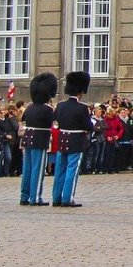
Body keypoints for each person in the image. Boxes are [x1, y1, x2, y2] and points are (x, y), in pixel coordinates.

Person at [52, 70, 92, 207]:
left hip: (62, 139)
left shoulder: (60, 105)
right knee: (72, 170)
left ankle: (56, 197)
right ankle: (67, 198)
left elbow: (56, 121)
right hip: (76, 140)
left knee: (60, 170)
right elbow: (88, 126)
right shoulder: (82, 107)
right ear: (81, 91)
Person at [20, 73, 57, 206]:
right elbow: (55, 123)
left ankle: (24, 196)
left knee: (27, 169)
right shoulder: (48, 109)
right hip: (40, 140)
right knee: (38, 169)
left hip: (28, 139)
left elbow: (24, 120)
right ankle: (35, 197)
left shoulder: (29, 108)